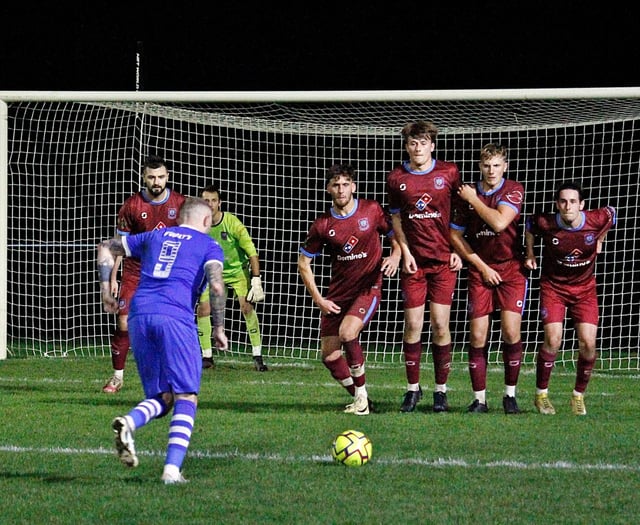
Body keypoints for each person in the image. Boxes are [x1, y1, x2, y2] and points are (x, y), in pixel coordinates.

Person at [97, 197, 228, 484]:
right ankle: (171, 471)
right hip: (175, 318)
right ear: (206, 221)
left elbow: (106, 247)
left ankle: (129, 422)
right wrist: (218, 327)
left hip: (139, 315)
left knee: (163, 397)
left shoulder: (155, 235)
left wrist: (107, 289)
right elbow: (217, 284)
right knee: (186, 395)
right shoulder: (209, 245)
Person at [298, 164, 400, 415]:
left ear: (353, 186)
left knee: (348, 332)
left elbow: (394, 235)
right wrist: (319, 299)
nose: (341, 189)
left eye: (345, 184)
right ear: (328, 189)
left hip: (368, 287)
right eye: (336, 185)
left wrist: (396, 256)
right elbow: (303, 262)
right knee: (330, 356)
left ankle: (362, 399)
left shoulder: (372, 210)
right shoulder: (322, 224)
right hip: (338, 293)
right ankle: (360, 397)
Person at [386, 120, 462, 413]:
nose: (418, 148)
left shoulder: (449, 172)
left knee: (440, 325)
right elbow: (395, 218)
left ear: (432, 145)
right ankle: (412, 389)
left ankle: (440, 392)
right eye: (412, 143)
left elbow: (460, 210)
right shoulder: (396, 178)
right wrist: (403, 251)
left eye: (423, 142)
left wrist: (457, 249)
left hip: (443, 261)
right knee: (413, 325)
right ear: (407, 147)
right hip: (413, 264)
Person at [525, 181, 616, 416]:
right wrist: (530, 253)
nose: (568, 206)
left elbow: (612, 215)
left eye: (573, 202)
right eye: (563, 201)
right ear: (557, 204)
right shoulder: (547, 222)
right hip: (554, 288)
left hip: (585, 290)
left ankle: (578, 396)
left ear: (581, 205)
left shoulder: (596, 219)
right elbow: (529, 225)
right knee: (553, 340)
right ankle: (541, 395)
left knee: (588, 343)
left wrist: (600, 239)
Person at [450, 144, 527, 414]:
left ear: (505, 166)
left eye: (496, 165)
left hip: (511, 270)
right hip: (480, 268)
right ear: (479, 167)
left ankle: (510, 396)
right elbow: (455, 236)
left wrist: (474, 200)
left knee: (510, 332)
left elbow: (498, 223)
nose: (491, 170)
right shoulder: (465, 194)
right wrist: (481, 267)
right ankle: (479, 400)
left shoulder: (513, 189)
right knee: (477, 335)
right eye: (486, 165)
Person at [102, 155, 186, 393]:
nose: (156, 182)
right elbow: (120, 245)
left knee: (168, 325)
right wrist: (113, 278)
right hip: (135, 272)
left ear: (167, 177)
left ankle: (171, 376)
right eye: (151, 177)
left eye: (160, 177)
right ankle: (117, 376)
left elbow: (189, 239)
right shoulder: (131, 206)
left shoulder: (180, 204)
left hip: (167, 273)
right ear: (144, 178)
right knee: (124, 322)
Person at [195, 184, 267, 371]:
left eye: (213, 200)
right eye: (205, 201)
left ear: (220, 203)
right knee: (203, 309)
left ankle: (258, 355)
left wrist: (256, 280)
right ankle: (207, 357)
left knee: (246, 306)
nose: (209, 204)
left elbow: (252, 252)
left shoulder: (233, 223)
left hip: (237, 272)